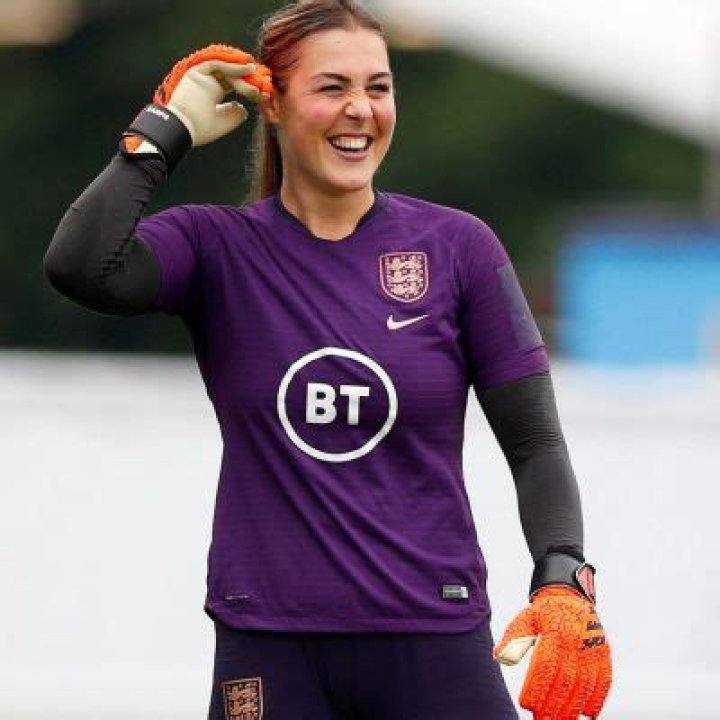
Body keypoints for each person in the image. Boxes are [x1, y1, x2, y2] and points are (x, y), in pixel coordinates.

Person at [44, 1, 612, 718]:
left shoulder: (459, 248)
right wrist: (165, 128)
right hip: (269, 642)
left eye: (378, 87)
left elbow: (535, 443)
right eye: (332, 87)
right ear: (273, 105)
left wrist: (562, 575)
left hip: (433, 635)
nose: (360, 109)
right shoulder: (218, 248)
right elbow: (81, 266)